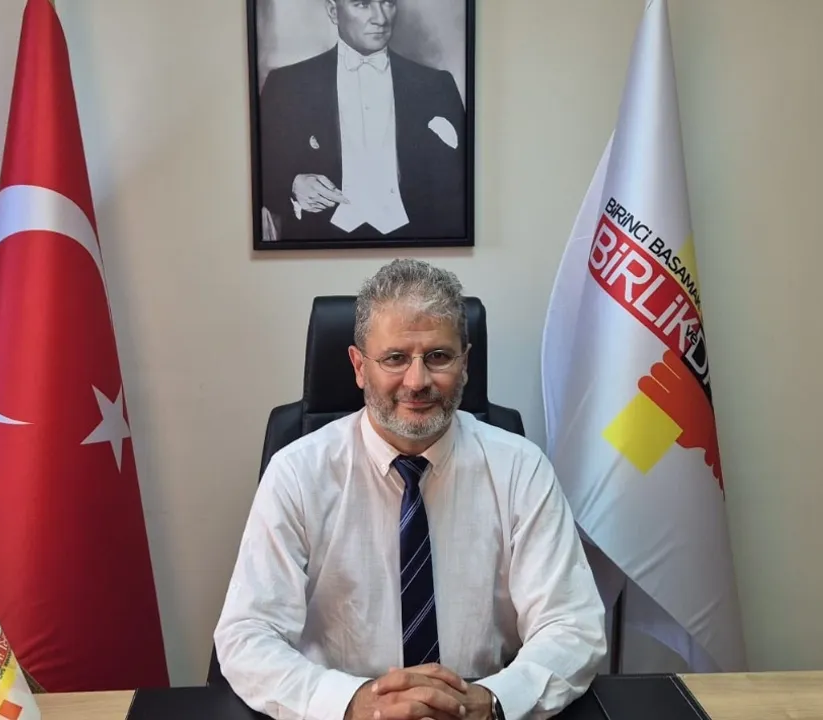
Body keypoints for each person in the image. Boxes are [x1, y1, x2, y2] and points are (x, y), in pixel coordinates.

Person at [213, 259, 607, 720]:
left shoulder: (521, 468)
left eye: (438, 356)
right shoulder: (298, 473)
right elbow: (247, 634)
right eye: (395, 358)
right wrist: (352, 703)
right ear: (359, 366)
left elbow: (573, 625)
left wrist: (493, 700)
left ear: (465, 363)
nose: (417, 382)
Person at [257, 0, 467, 242]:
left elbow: (460, 182)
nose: (381, 18)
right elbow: (259, 172)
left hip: (415, 241)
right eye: (363, 4)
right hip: (319, 242)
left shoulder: (437, 86)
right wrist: (292, 185)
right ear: (333, 11)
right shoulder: (286, 85)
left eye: (387, 3)